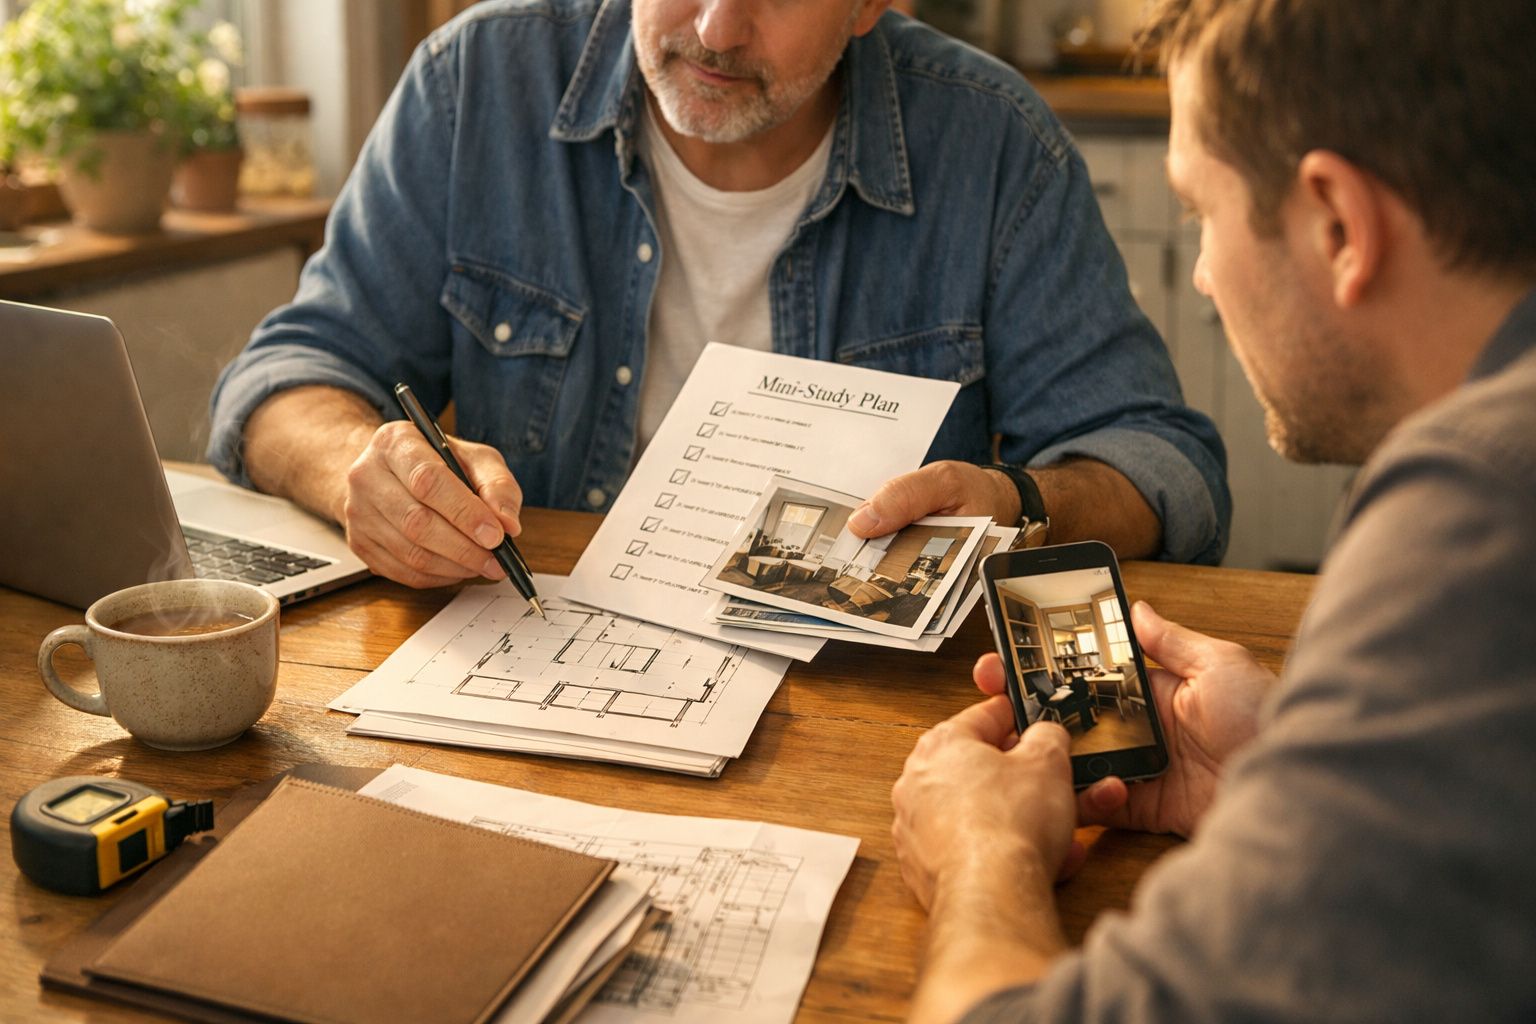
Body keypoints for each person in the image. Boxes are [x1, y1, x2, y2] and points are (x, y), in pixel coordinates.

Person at [891, 0, 1536, 1020]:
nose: (1198, 275)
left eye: (1200, 212)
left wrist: (982, 856)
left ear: (1337, 223)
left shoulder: (1476, 514)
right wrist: (1308, 769)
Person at [207, 0, 1231, 589]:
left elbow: (1162, 466)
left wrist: (1021, 507)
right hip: (528, 663)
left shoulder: (992, 142)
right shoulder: (476, 81)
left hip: (855, 723)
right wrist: (362, 467)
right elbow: (288, 376)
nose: (713, 27)